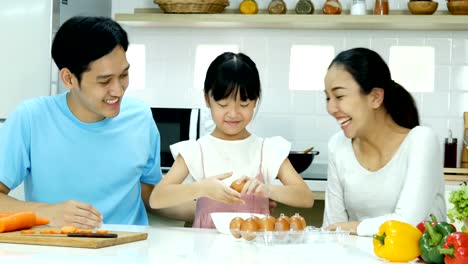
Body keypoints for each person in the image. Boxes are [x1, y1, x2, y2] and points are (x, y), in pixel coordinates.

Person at [0, 16, 174, 228]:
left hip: (130, 251)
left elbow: (151, 196)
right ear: (69, 79)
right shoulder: (31, 118)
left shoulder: (140, 117)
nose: (118, 90)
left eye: (124, 75)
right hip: (56, 252)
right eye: (104, 81)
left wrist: (207, 204)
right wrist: (48, 212)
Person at [149, 52, 314, 228]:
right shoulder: (196, 151)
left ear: (255, 101)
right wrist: (201, 188)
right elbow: (157, 198)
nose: (233, 113)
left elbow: (305, 197)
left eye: (244, 104)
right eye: (223, 105)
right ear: (207, 98)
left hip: (256, 253)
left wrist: (268, 190)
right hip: (206, 253)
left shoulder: (267, 150)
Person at [322, 47, 446, 236]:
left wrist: (356, 227)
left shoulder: (421, 141)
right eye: (328, 97)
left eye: (339, 96)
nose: (331, 108)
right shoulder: (338, 145)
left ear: (375, 97)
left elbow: (408, 224)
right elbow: (333, 230)